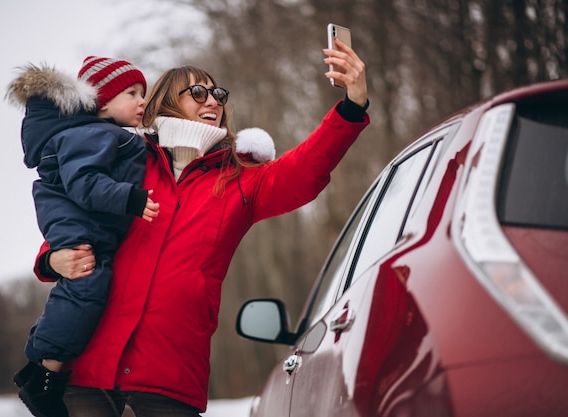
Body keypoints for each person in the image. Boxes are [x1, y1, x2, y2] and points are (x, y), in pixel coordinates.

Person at [33, 38, 370, 417]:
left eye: (217, 94)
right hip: (88, 373)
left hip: (169, 380)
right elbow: (73, 216)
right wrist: (51, 260)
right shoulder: (126, 160)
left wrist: (352, 107)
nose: (212, 100)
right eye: (197, 92)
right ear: (164, 102)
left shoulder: (240, 180)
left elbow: (306, 169)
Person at [6, 56, 160, 417]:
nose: (142, 101)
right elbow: (84, 182)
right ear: (102, 102)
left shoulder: (107, 135)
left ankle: (38, 368)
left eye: (144, 94)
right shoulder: (89, 134)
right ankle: (44, 375)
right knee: (87, 285)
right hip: (76, 223)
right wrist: (130, 198)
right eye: (132, 93)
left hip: (88, 224)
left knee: (83, 289)